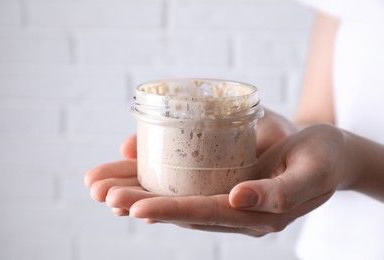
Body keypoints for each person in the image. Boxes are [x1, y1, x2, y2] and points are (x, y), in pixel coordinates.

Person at [84, 0, 384, 258]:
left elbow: (338, 144)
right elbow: (320, 116)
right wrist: (291, 137)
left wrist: (352, 161)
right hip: (330, 246)